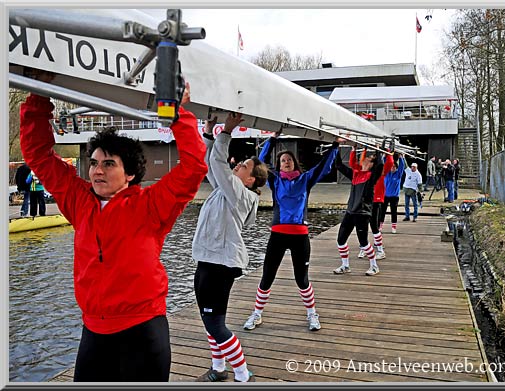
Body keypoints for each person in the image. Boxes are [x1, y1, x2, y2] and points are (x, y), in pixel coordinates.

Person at [20, 76, 207, 382]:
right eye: (94, 163)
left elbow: (194, 166)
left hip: (143, 331)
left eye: (109, 164)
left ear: (130, 173)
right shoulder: (78, 199)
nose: (97, 170)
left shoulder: (151, 205)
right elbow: (39, 155)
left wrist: (177, 115)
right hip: (94, 330)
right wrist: (38, 98)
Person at [192, 112, 268, 383]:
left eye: (244, 166)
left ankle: (243, 374)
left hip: (220, 264)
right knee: (208, 320)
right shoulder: (225, 189)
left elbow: (218, 163)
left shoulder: (241, 193)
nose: (238, 166)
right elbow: (211, 165)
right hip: (207, 260)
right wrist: (210, 132)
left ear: (250, 180)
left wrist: (227, 132)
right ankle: (219, 368)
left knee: (215, 323)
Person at [243, 134, 339, 333]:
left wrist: (335, 146)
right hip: (278, 234)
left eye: (289, 160)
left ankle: (312, 314)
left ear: (294, 163)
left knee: (301, 279)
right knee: (267, 276)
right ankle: (256, 314)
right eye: (282, 160)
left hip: (299, 235)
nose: (286, 162)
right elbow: (260, 163)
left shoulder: (305, 179)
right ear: (279, 165)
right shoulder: (275, 180)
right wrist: (271, 140)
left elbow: (323, 166)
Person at [334, 145, 385, 276]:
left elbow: (380, 166)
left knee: (364, 243)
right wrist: (336, 146)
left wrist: (379, 149)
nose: (364, 159)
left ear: (371, 164)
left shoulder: (371, 176)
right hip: (350, 211)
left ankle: (374, 266)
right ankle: (345, 266)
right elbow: (339, 165)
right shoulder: (355, 174)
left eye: (368, 159)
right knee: (340, 240)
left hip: (362, 213)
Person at [357, 149, 393, 259]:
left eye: (371, 159)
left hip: (376, 200)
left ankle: (380, 250)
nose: (368, 160)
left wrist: (386, 151)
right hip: (366, 201)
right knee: (363, 226)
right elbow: (360, 162)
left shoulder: (381, 172)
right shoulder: (367, 172)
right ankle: (364, 247)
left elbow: (390, 162)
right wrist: (363, 149)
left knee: (374, 226)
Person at [382, 155, 405, 233]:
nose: (393, 167)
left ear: (396, 168)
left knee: (393, 212)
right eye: (392, 166)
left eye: (394, 166)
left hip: (394, 197)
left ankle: (393, 227)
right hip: (385, 196)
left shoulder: (398, 174)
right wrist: (385, 156)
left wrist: (401, 158)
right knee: (382, 211)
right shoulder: (386, 173)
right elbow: (385, 164)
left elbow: (402, 166)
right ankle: (380, 226)